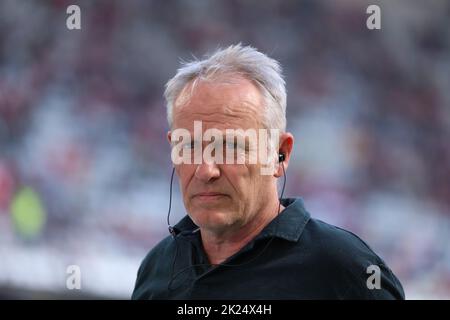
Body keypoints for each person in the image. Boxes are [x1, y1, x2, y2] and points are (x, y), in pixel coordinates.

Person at [131, 44, 405, 299]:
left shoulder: (345, 270)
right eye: (189, 146)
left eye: (230, 146)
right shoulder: (158, 267)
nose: (206, 170)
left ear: (279, 154)